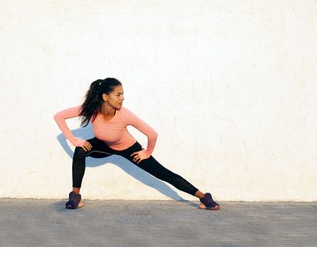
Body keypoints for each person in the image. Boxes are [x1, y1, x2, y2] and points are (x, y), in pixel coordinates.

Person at [54, 77, 220, 210]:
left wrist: (146, 153)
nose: (122, 98)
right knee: (80, 150)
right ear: (105, 97)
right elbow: (59, 116)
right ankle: (75, 196)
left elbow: (152, 134)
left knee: (163, 173)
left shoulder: (124, 114)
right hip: (104, 145)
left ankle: (204, 197)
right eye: (118, 95)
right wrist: (75, 140)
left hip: (128, 149)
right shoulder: (91, 109)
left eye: (122, 94)